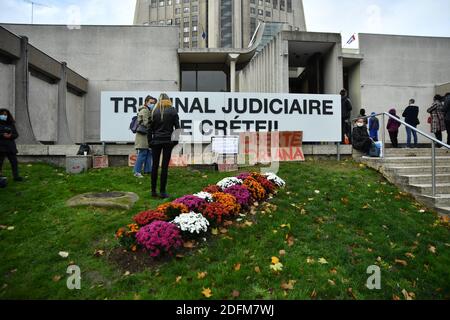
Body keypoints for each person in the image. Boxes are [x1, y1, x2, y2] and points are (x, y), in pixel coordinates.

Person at [148, 93, 180, 199]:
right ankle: (162, 191)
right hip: (168, 142)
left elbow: (149, 128)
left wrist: (150, 141)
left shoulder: (154, 111)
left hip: (156, 141)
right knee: (165, 167)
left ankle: (153, 191)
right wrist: (175, 141)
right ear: (168, 100)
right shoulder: (172, 110)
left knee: (155, 166)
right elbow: (177, 128)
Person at [133, 95, 156, 178]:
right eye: (151, 102)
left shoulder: (147, 110)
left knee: (148, 152)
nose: (152, 104)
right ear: (146, 102)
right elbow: (147, 123)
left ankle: (147, 170)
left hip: (145, 135)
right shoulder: (145, 110)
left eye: (153, 103)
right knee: (142, 153)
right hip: (143, 135)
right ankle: (136, 172)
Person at [0, 108, 23, 182]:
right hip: (1, 147)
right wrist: (3, 135)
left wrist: (10, 135)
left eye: (5, 114)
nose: (4, 116)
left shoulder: (11, 124)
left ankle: (16, 177)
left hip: (10, 147)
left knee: (14, 162)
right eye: (2, 114)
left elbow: (16, 135)